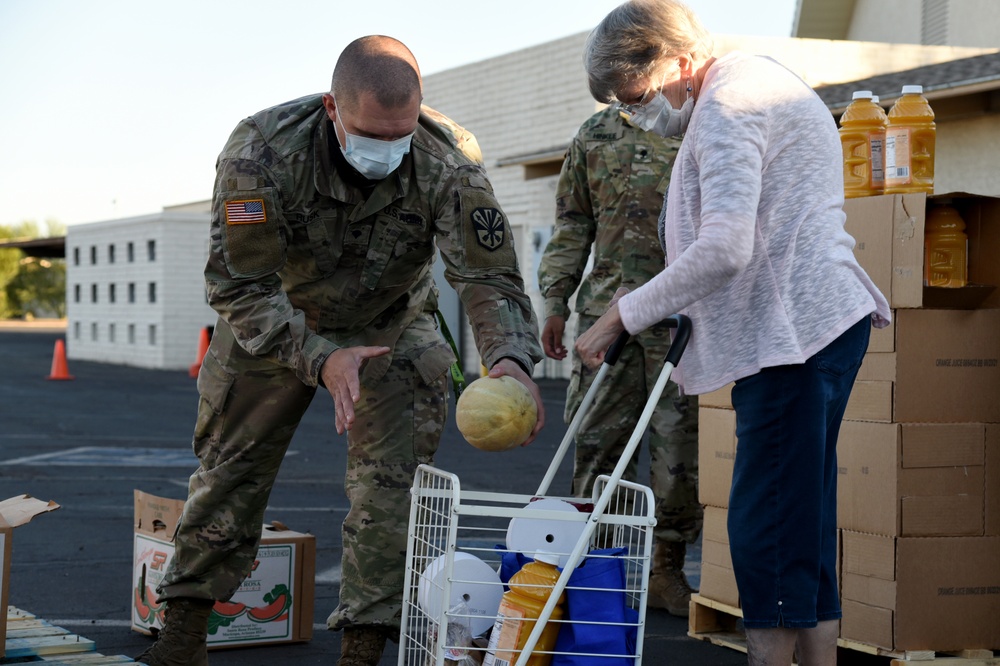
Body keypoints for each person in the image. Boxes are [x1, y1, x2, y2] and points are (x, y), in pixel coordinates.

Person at [135, 35, 544, 666]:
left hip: (390, 324)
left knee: (391, 486)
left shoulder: (449, 159)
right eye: (370, 133)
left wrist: (511, 360)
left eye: (400, 133)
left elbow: (487, 277)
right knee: (231, 469)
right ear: (332, 107)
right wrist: (320, 356)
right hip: (276, 321)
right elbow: (239, 286)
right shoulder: (262, 152)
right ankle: (184, 633)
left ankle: (363, 647)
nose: (387, 150)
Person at [574, 2, 891, 664]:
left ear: (679, 62)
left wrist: (621, 314)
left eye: (636, 97)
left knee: (766, 526)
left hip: (794, 338)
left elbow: (725, 246)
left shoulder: (729, 105)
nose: (635, 116)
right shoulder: (749, 84)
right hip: (814, 327)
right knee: (799, 518)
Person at [537, 104, 701, 617]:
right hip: (605, 320)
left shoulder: (695, 125)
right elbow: (571, 222)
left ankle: (665, 570)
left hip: (681, 319)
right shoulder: (595, 132)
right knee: (596, 447)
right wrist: (555, 302)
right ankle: (595, 571)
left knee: (679, 453)